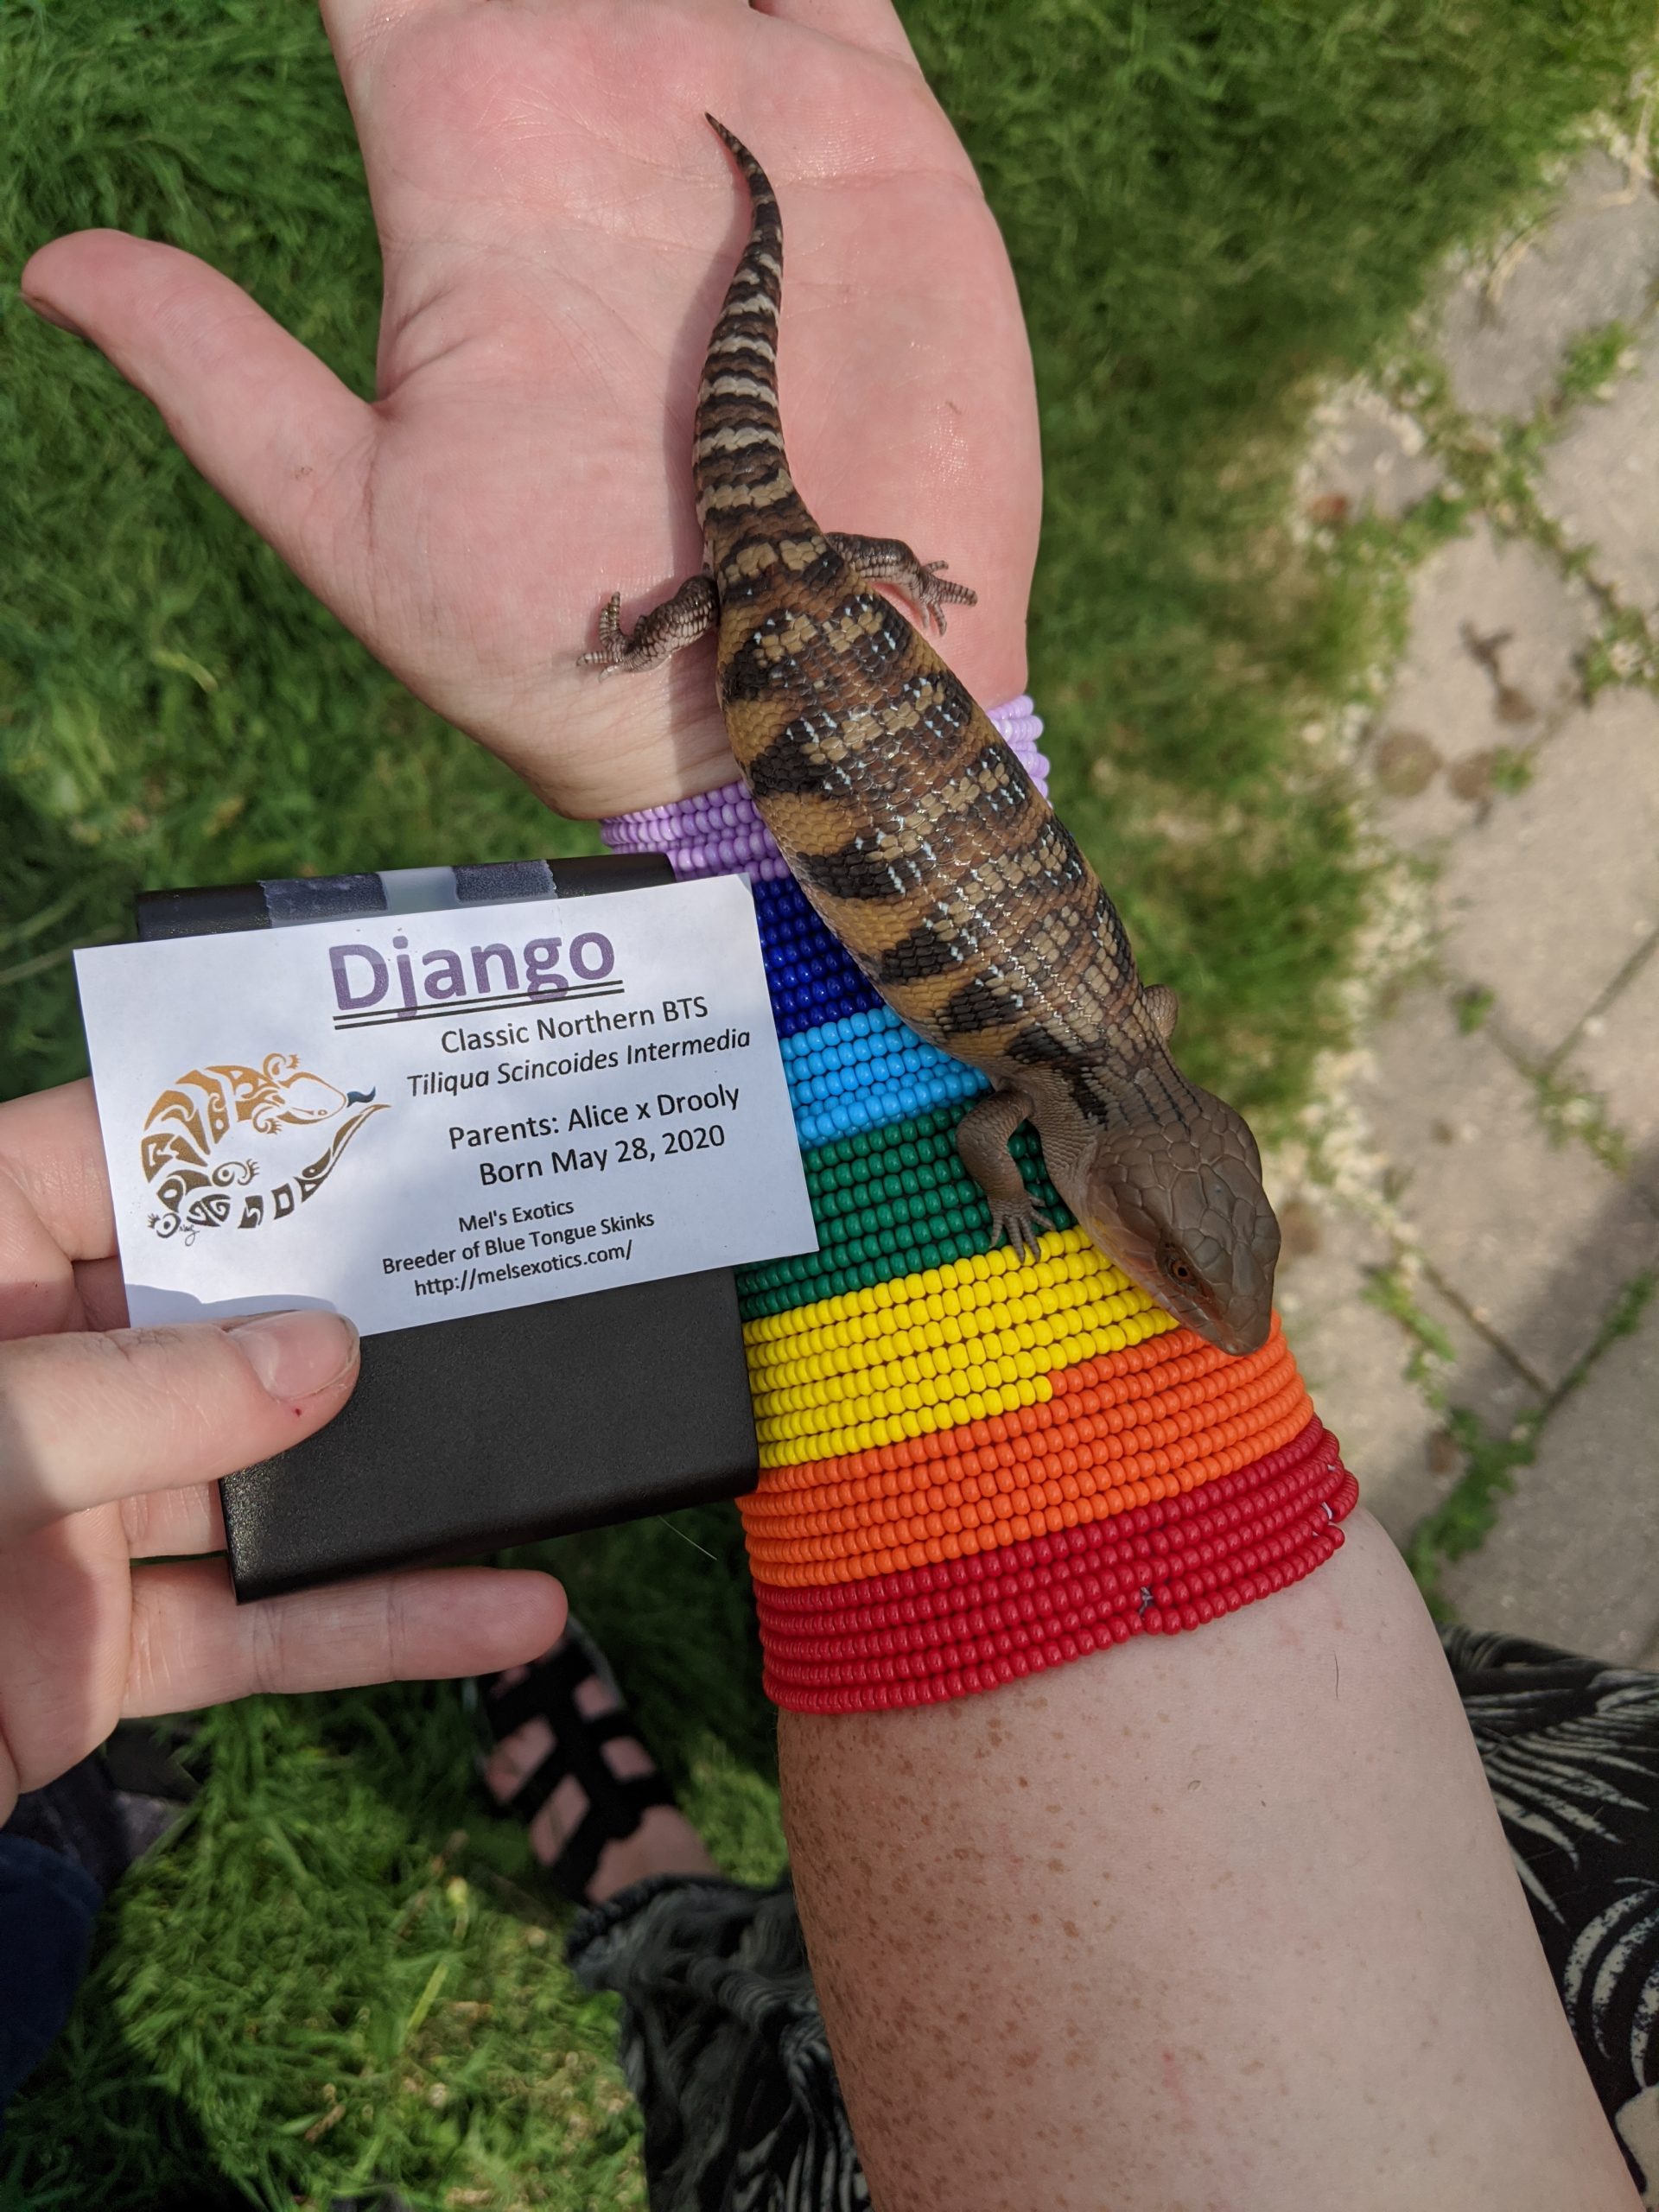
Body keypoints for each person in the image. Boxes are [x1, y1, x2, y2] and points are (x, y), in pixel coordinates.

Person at [8, 1, 1650, 2203]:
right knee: (762, 518)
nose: (1191, 1279)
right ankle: (646, 1875)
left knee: (790, 552)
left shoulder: (1112, 1047)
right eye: (1177, 1249)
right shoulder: (1045, 1093)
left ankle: (636, 1870)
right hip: (798, 621)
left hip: (843, 624)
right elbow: (988, 1131)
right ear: (1158, 1160)